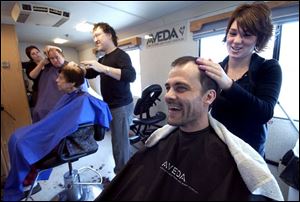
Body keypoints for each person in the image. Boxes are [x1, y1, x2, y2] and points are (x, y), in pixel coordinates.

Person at [96, 56, 283, 201]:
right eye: (168, 87)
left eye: (181, 88)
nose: (168, 96)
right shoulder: (160, 141)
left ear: (209, 97)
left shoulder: (268, 68)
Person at [3, 62, 112, 201]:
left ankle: (24, 180)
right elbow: (57, 120)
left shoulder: (83, 100)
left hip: (70, 142)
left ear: (71, 83)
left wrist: (49, 132)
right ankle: (26, 177)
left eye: (61, 78)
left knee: (21, 144)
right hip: (58, 133)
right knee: (15, 137)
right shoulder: (71, 95)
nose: (56, 80)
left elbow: (70, 126)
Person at [196, 2, 282, 156]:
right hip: (218, 148)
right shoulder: (217, 69)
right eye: (233, 33)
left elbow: (265, 113)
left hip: (249, 153)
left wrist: (228, 84)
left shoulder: (268, 68)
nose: (236, 41)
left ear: (259, 39)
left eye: (247, 35)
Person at [80, 22, 136, 174]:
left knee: (119, 143)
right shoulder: (104, 59)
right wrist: (74, 69)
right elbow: (91, 73)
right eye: (93, 37)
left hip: (121, 106)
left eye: (98, 35)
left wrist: (103, 69)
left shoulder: (121, 55)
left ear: (109, 35)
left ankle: (122, 176)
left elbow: (131, 76)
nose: (95, 39)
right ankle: (124, 167)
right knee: (120, 141)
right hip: (111, 106)